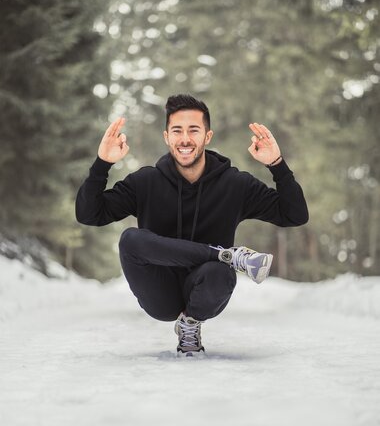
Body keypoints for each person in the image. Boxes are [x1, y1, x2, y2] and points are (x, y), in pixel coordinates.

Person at [76, 94, 308, 357]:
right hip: (159, 293)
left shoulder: (235, 185)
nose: (185, 139)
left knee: (220, 272)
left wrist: (277, 165)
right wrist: (102, 164)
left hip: (208, 287)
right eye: (177, 130)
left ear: (207, 136)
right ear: (167, 137)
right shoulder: (146, 182)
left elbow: (294, 215)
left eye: (193, 130)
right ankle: (228, 256)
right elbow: (89, 214)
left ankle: (191, 323)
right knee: (130, 239)